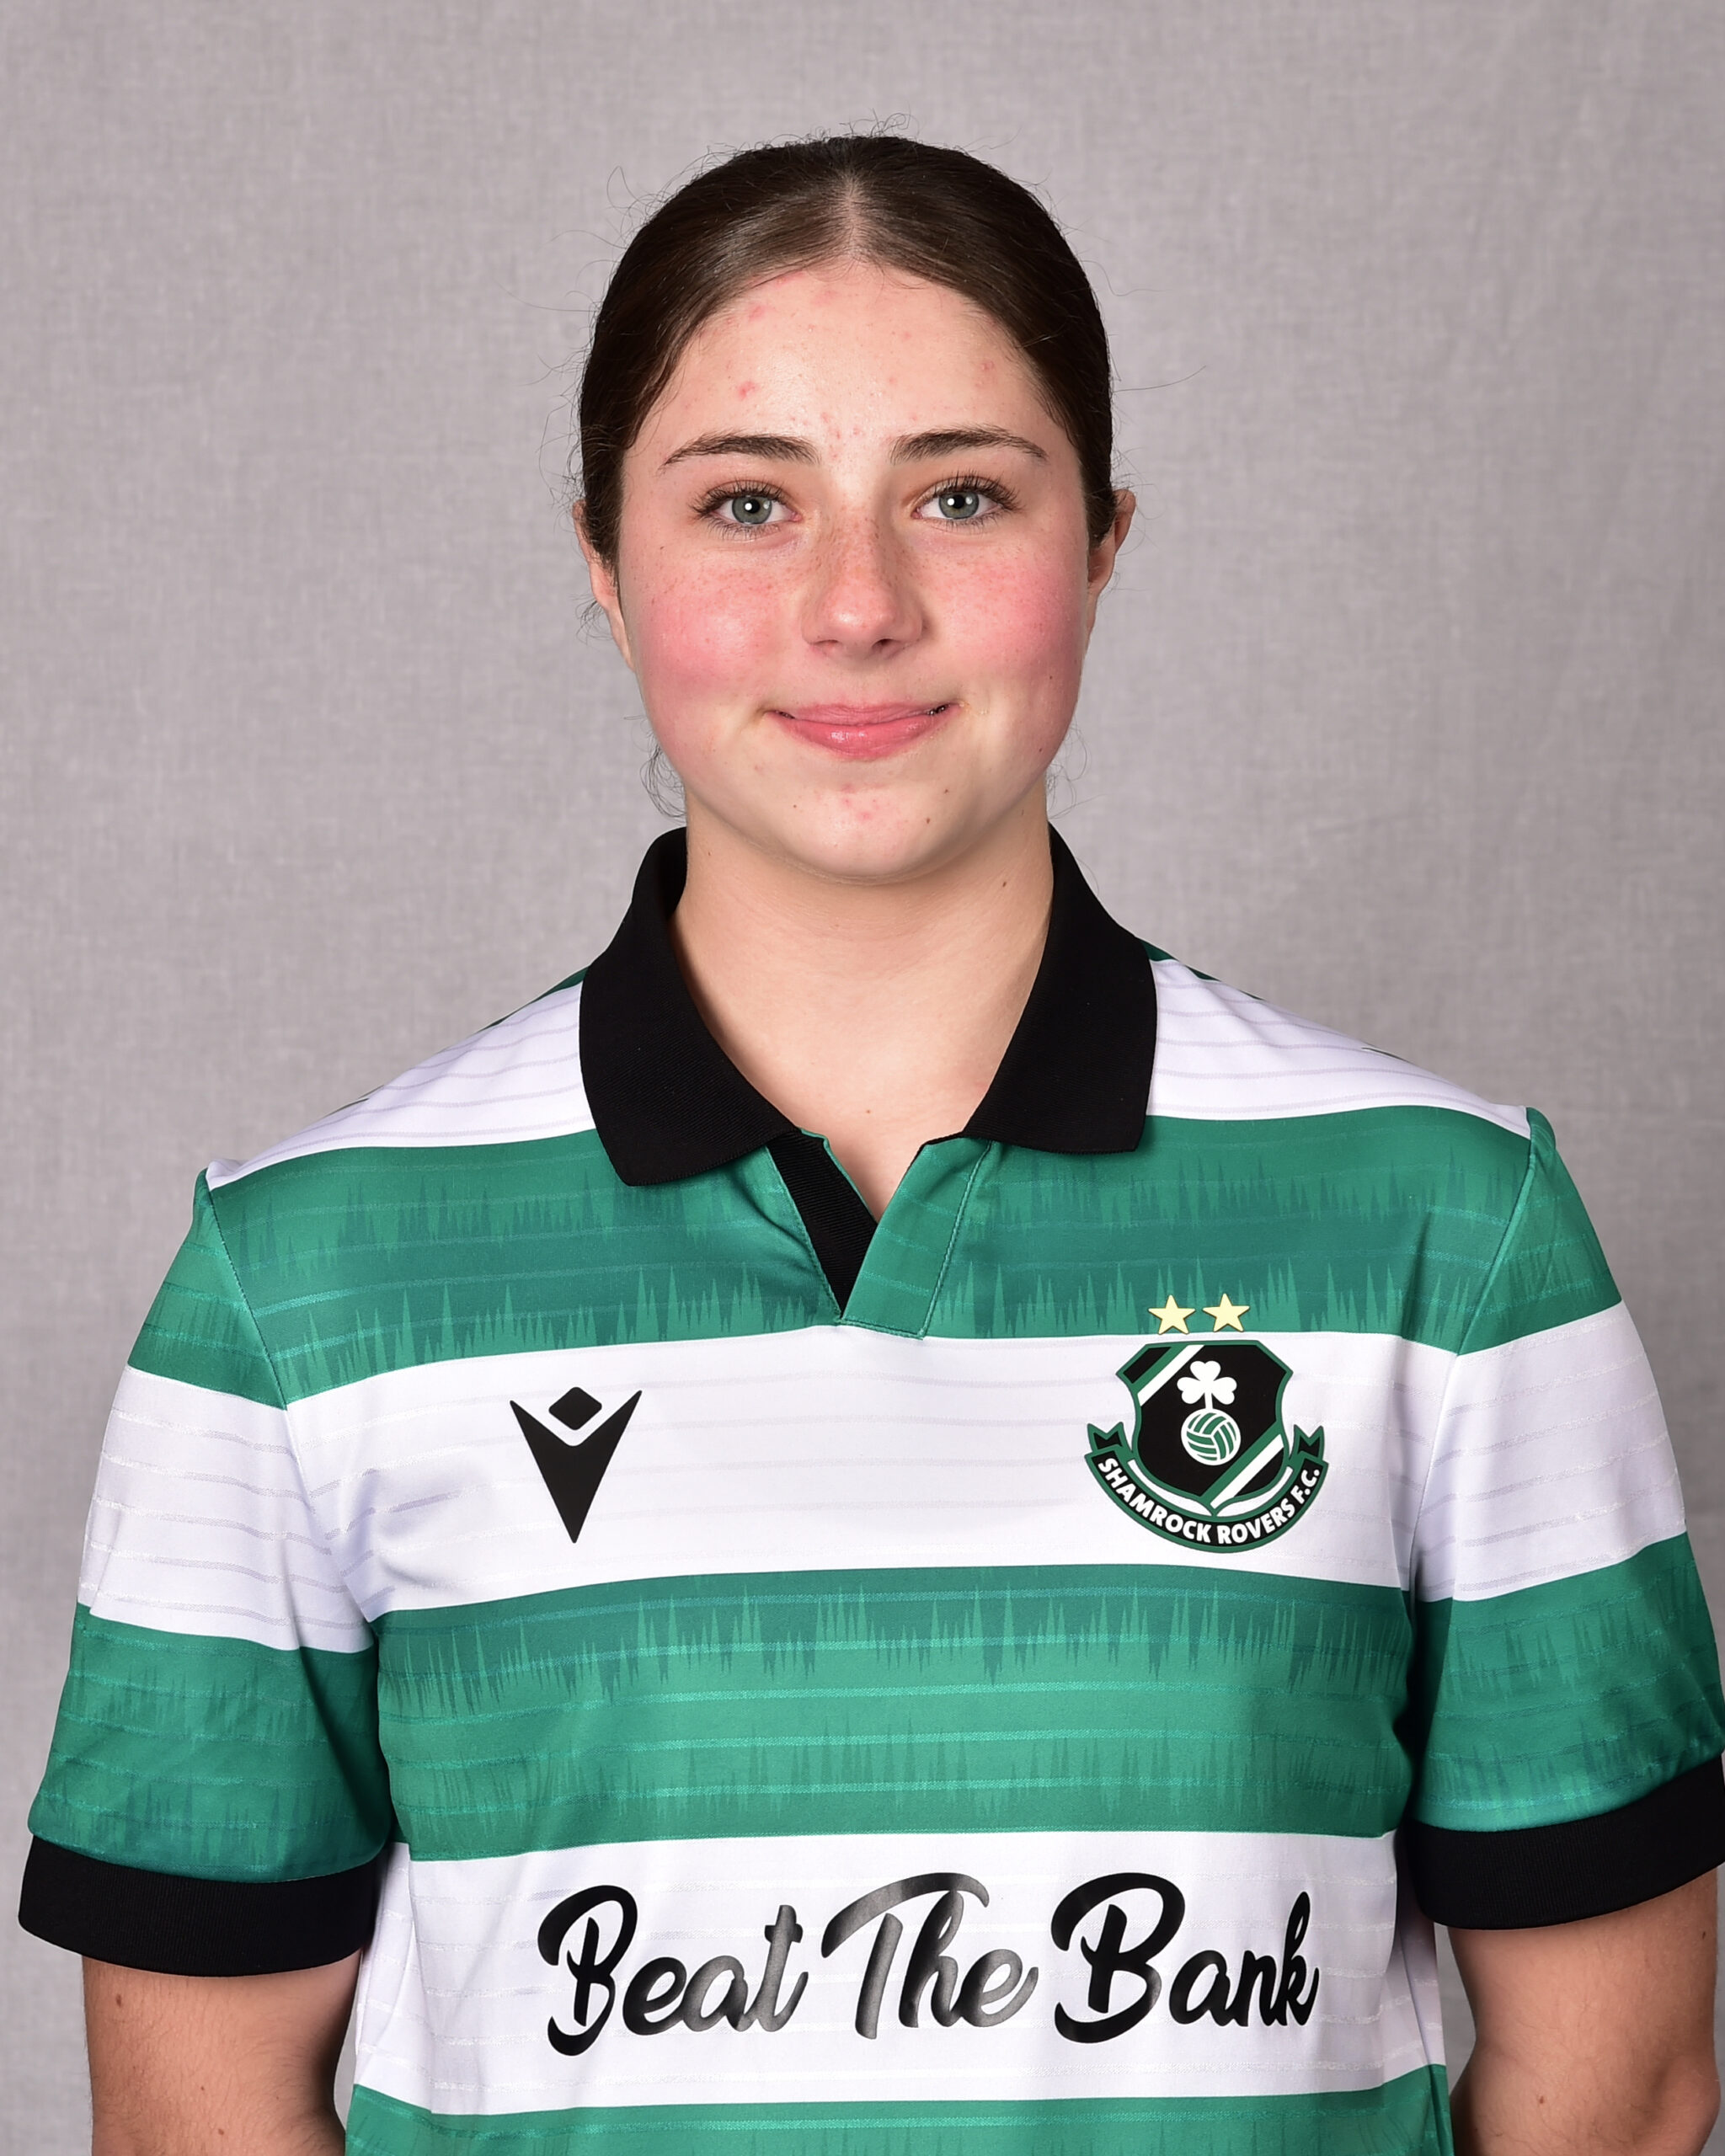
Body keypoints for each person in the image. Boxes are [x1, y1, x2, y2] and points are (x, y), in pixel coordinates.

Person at [18, 134, 1724, 2156]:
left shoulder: (1452, 1231)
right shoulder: (300, 1282)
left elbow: (1618, 2095)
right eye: (746, 501)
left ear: (1101, 542)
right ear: (601, 557)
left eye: (962, 494)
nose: (856, 606)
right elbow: (196, 2111)